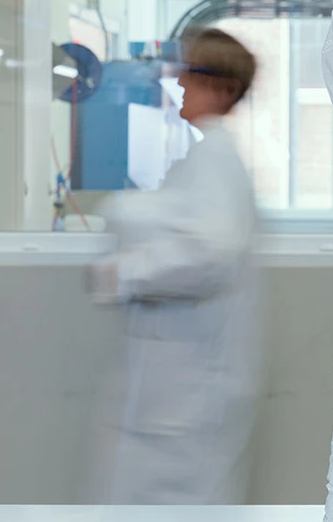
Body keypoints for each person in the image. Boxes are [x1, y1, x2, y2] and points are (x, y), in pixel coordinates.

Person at [86, 28, 262, 504]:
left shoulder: (217, 158)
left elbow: (212, 250)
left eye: (190, 72)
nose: (178, 82)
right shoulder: (202, 156)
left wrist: (123, 273)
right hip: (176, 394)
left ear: (222, 88)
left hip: (189, 397)